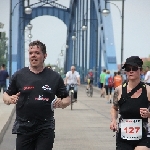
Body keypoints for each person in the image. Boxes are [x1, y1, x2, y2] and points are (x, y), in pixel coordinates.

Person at [3, 40, 70, 150]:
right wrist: (9, 99)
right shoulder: (19, 75)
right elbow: (5, 96)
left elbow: (67, 98)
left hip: (45, 127)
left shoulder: (54, 77)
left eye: (37, 53)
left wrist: (62, 103)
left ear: (45, 56)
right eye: (30, 53)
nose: (33, 55)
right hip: (23, 127)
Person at [110, 56, 150, 150]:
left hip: (143, 136)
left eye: (134, 68)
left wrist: (148, 114)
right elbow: (114, 108)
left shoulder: (148, 90)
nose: (131, 71)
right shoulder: (119, 90)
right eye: (128, 69)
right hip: (123, 137)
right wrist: (113, 120)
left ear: (140, 70)